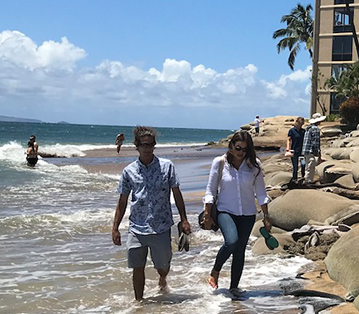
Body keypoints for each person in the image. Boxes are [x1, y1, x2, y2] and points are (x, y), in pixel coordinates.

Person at [111, 126, 191, 301]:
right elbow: (123, 200)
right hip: (136, 228)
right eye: (144, 145)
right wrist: (115, 227)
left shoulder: (167, 167)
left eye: (150, 145)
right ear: (137, 146)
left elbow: (176, 193)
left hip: (161, 226)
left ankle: (162, 278)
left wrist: (184, 219)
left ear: (154, 146)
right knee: (137, 267)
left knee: (163, 266)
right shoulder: (129, 171)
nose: (147, 149)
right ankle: (139, 303)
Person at [203, 130, 271, 295]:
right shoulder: (220, 163)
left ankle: (234, 288)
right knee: (232, 241)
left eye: (245, 150)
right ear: (231, 146)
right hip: (225, 211)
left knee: (240, 251)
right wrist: (207, 214)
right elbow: (210, 191)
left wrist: (266, 217)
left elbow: (261, 193)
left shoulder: (254, 165)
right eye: (238, 148)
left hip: (247, 214)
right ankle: (215, 271)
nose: (241, 152)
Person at [302, 113, 324, 185]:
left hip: (305, 150)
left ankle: (307, 180)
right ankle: (308, 181)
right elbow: (315, 143)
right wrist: (318, 153)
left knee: (307, 166)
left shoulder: (308, 128)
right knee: (311, 167)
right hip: (311, 151)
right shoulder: (316, 129)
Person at [286, 116, 306, 183]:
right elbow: (288, 139)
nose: (300, 125)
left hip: (302, 151)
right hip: (294, 150)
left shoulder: (303, 131)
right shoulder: (292, 131)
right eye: (300, 124)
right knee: (295, 166)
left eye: (302, 124)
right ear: (297, 123)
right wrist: (288, 147)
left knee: (303, 164)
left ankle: (303, 177)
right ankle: (294, 179)